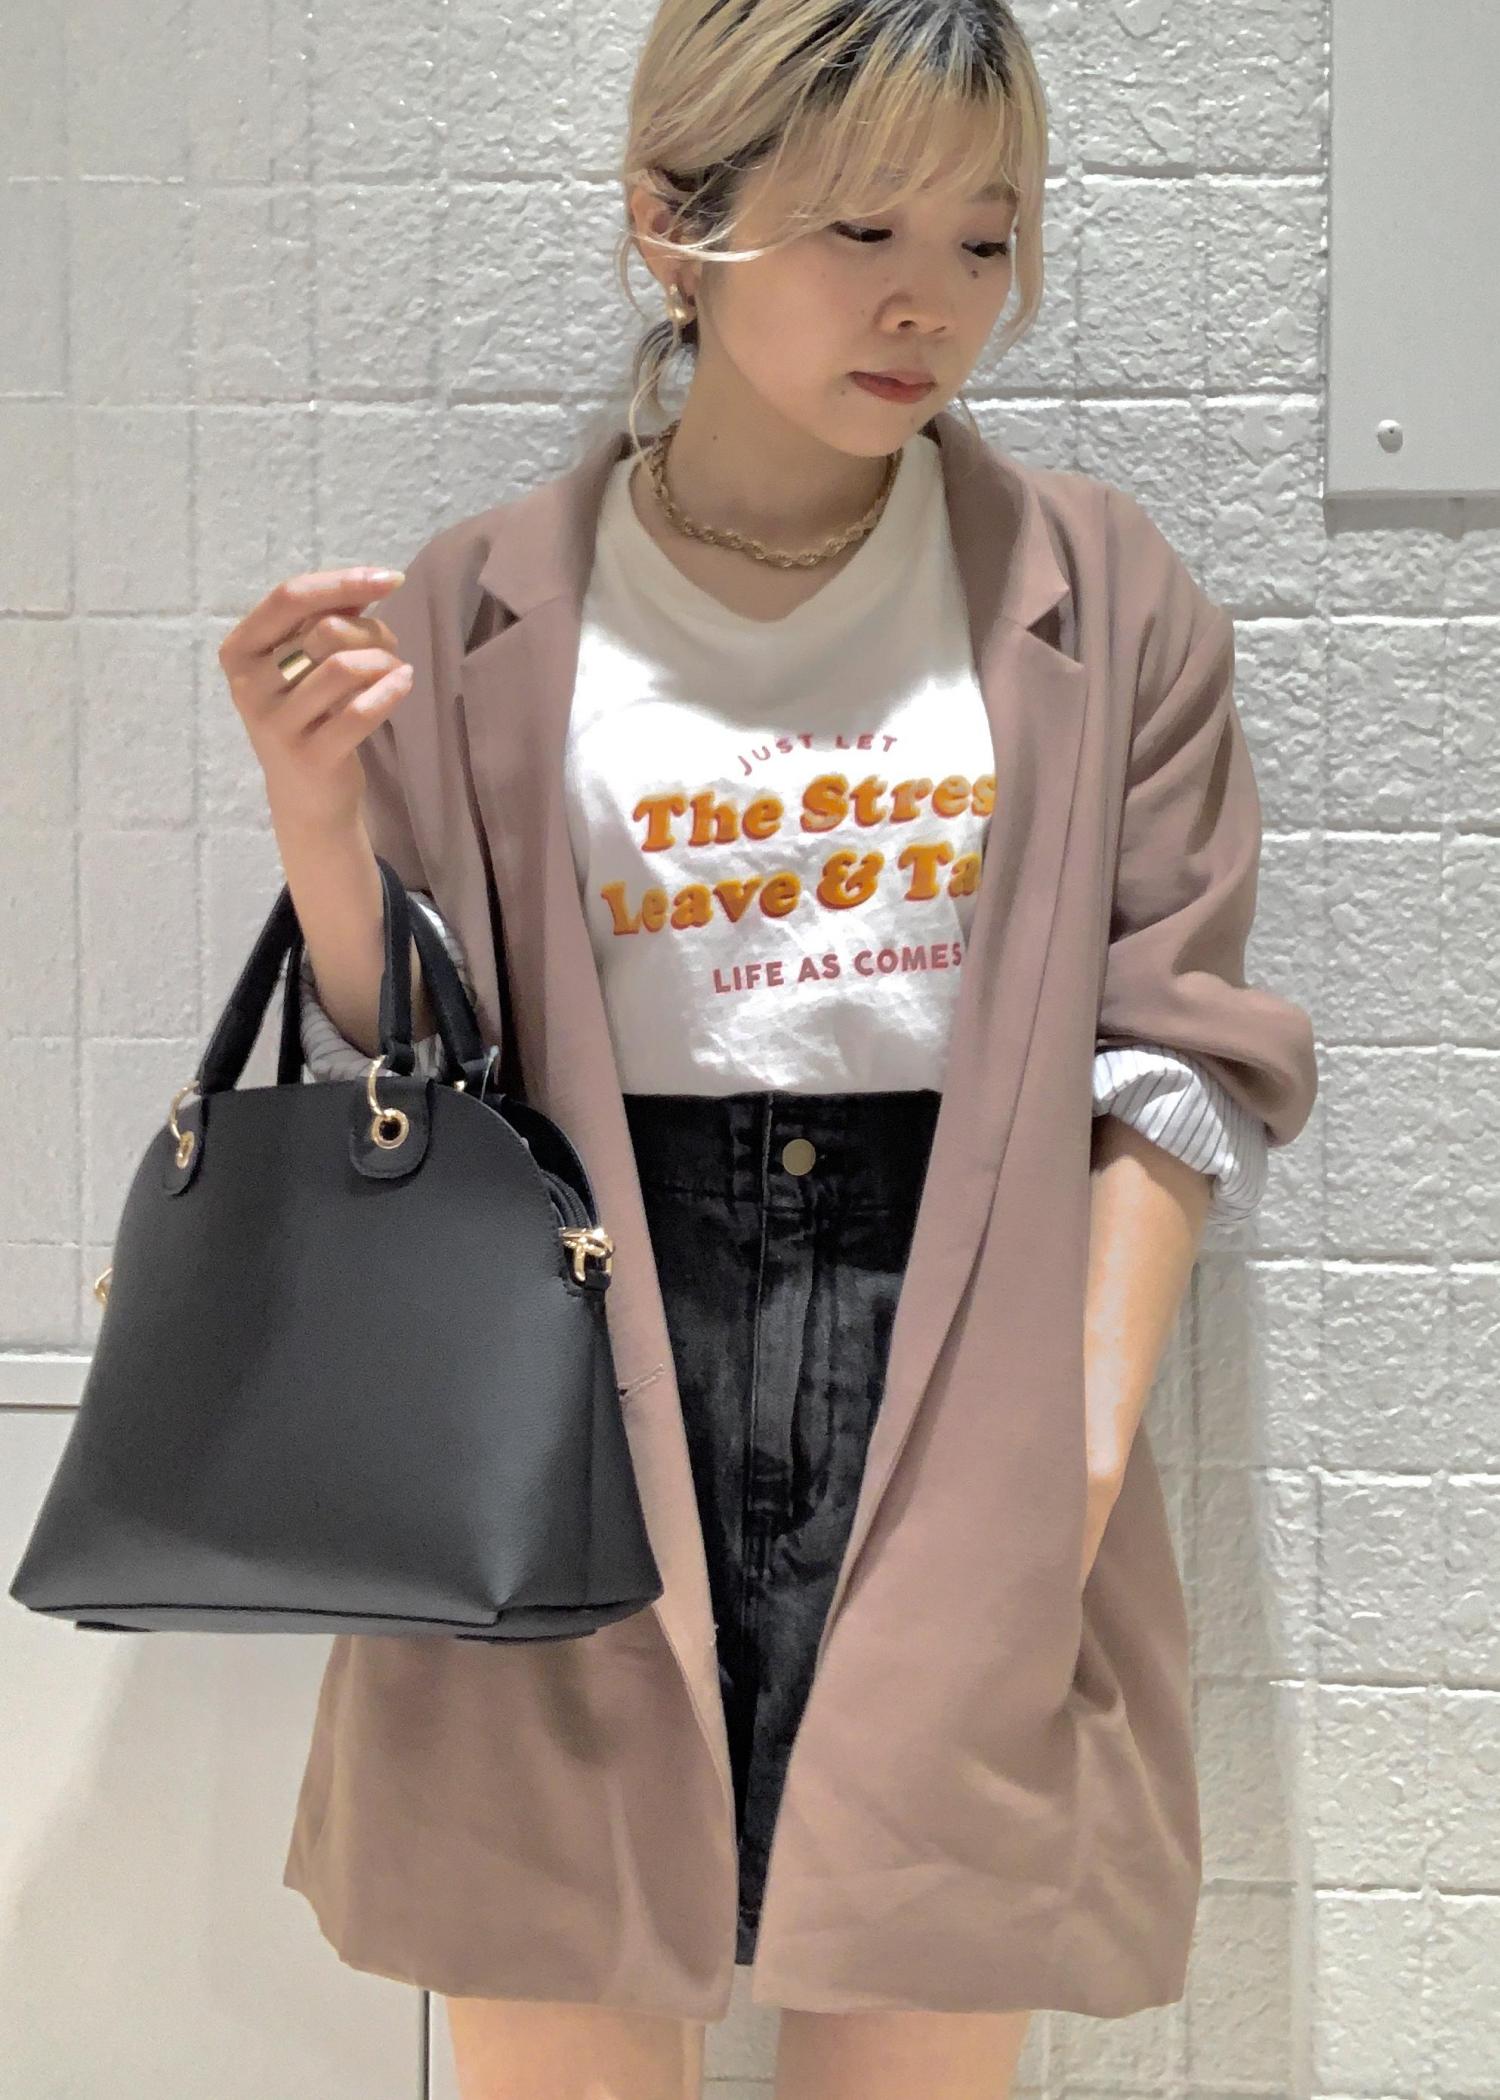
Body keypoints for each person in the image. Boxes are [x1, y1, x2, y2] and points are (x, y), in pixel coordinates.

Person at [217, 3, 1316, 2095]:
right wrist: (312, 818)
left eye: (986, 238)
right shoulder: (483, 604)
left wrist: (1075, 1453)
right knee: (554, 1992)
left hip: (954, 1350)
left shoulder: (1099, 594)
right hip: (572, 1357)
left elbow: (1175, 1050)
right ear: (671, 222)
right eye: (860, 228)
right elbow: (406, 1071)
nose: (932, 302)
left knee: (921, 1989)